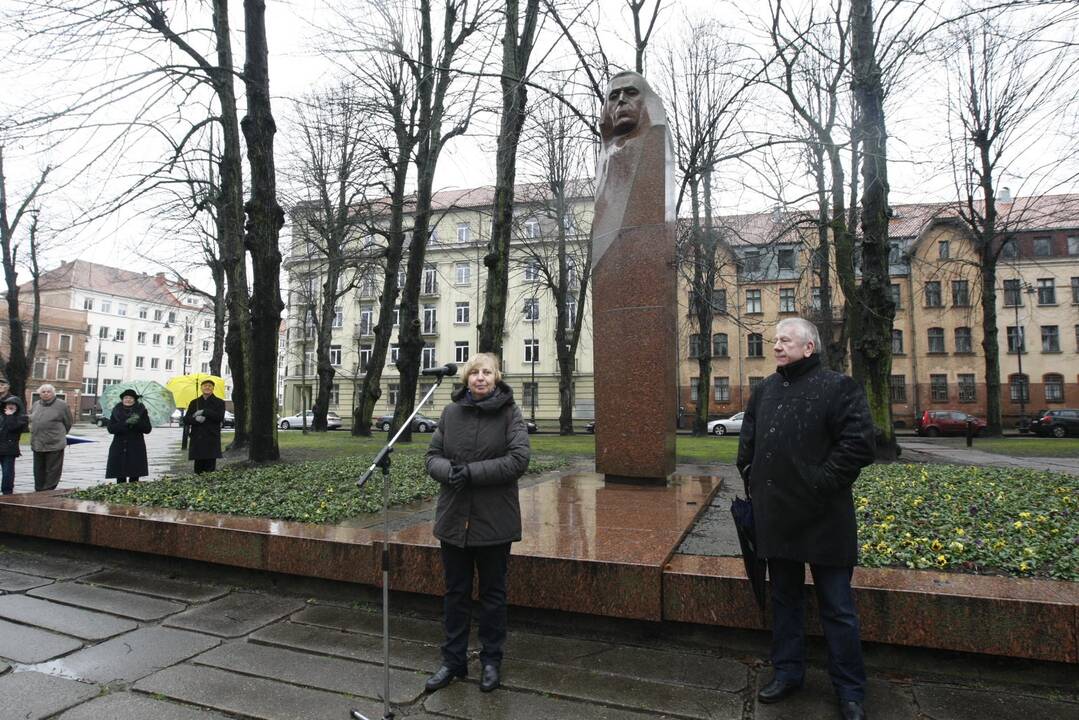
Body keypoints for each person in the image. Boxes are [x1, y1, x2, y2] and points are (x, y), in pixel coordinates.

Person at [736, 318, 875, 720]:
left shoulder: (838, 387)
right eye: (775, 340)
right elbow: (748, 446)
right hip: (777, 517)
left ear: (808, 347)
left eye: (785, 340)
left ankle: (850, 691)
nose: (776, 345)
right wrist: (754, 480)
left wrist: (818, 482)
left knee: (837, 608)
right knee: (785, 601)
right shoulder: (764, 392)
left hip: (825, 517)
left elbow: (858, 445)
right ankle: (788, 673)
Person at [424, 353, 531, 694]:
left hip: (493, 520)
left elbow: (518, 460)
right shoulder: (450, 412)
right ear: (465, 378)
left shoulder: (510, 413)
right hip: (454, 519)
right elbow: (432, 458)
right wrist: (449, 472)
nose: (480, 378)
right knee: (455, 593)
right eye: (474, 373)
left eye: (487, 373)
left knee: (492, 595)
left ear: (496, 378)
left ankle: (490, 661)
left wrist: (470, 473)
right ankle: (452, 661)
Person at [29, 384, 73, 491]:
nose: (46, 393)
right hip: (38, 442)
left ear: (53, 393)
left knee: (53, 469)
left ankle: (48, 489)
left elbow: (68, 422)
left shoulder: (62, 405)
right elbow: (31, 419)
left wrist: (60, 434)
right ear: (39, 394)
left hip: (54, 443)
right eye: (43, 392)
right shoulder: (36, 404)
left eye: (48, 391)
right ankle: (39, 489)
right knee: (38, 469)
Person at [105, 388, 153, 483]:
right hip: (119, 446)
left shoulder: (141, 411)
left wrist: (137, 422)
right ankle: (120, 494)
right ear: (122, 399)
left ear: (134, 400)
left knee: (134, 476)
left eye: (130, 398)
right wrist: (125, 423)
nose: (128, 400)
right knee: (120, 475)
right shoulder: (116, 411)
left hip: (135, 447)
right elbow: (111, 429)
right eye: (126, 397)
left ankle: (132, 494)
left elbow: (147, 429)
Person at [183, 379, 225, 474]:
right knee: (198, 468)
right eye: (205, 385)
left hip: (211, 438)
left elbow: (219, 417)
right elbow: (186, 419)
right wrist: (195, 420)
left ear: (213, 388)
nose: (207, 387)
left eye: (210, 386)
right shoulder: (194, 402)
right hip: (197, 439)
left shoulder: (219, 402)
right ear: (201, 388)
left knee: (210, 468)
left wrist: (204, 411)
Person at [0, 398, 29, 494]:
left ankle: (7, 491)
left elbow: (13, 427)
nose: (10, 406)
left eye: (13, 405)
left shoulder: (21, 418)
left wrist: (10, 416)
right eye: (8, 404)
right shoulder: (1, 416)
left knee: (7, 472)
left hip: (9, 449)